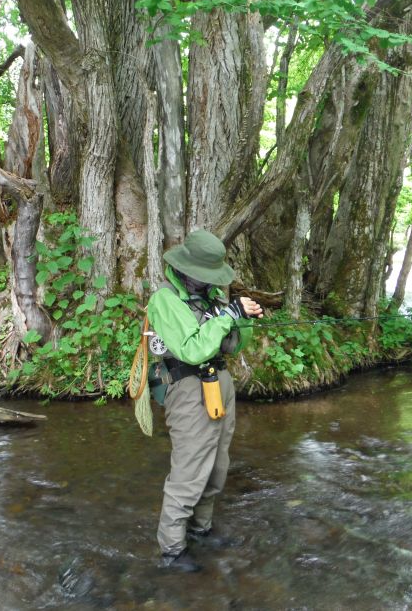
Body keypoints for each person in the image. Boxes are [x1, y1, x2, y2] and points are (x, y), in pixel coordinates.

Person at [146, 229, 263, 572]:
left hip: (220, 383)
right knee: (189, 472)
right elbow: (193, 349)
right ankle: (172, 551)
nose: (213, 281)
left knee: (217, 467)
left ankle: (201, 531)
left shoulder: (212, 296)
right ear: (187, 268)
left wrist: (243, 319)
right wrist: (227, 316)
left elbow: (231, 346)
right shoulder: (165, 300)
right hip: (187, 388)